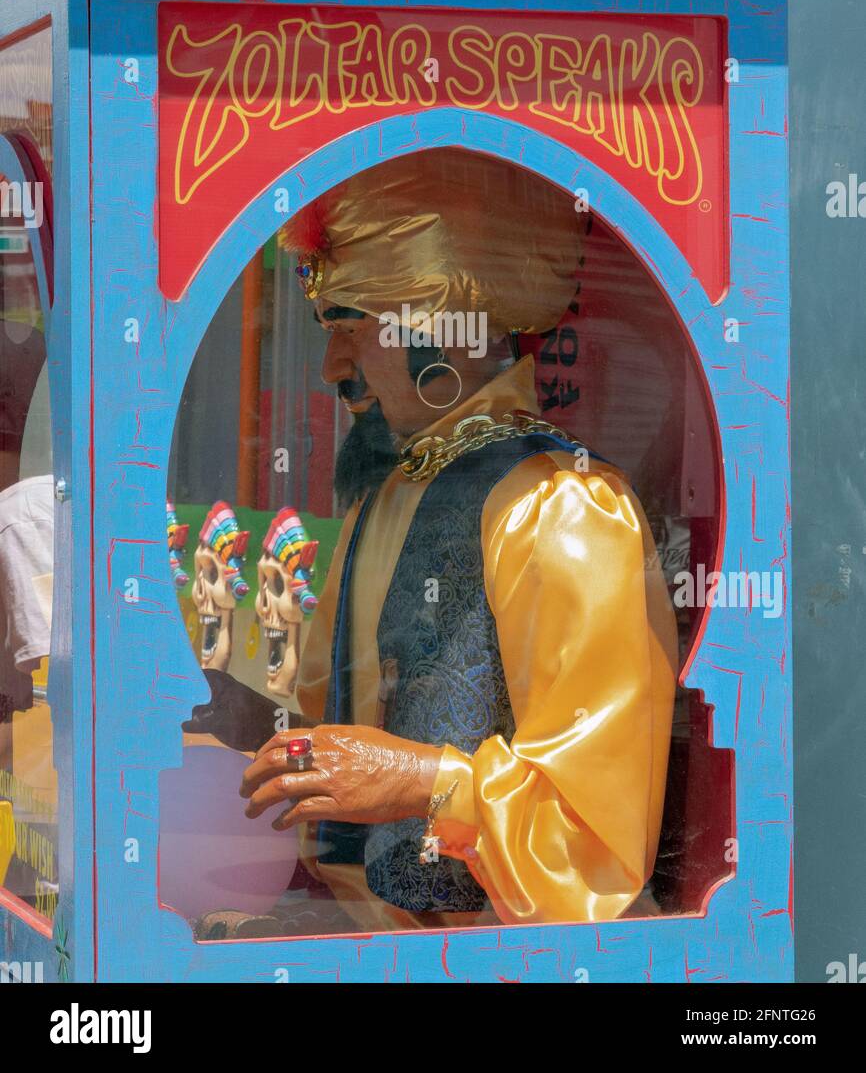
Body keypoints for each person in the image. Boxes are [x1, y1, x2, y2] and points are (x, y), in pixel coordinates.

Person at [238, 148, 678, 930]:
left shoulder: (561, 506)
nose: (332, 365)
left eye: (350, 325)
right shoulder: (385, 497)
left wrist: (422, 782)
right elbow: (320, 722)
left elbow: (596, 855)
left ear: (441, 328)